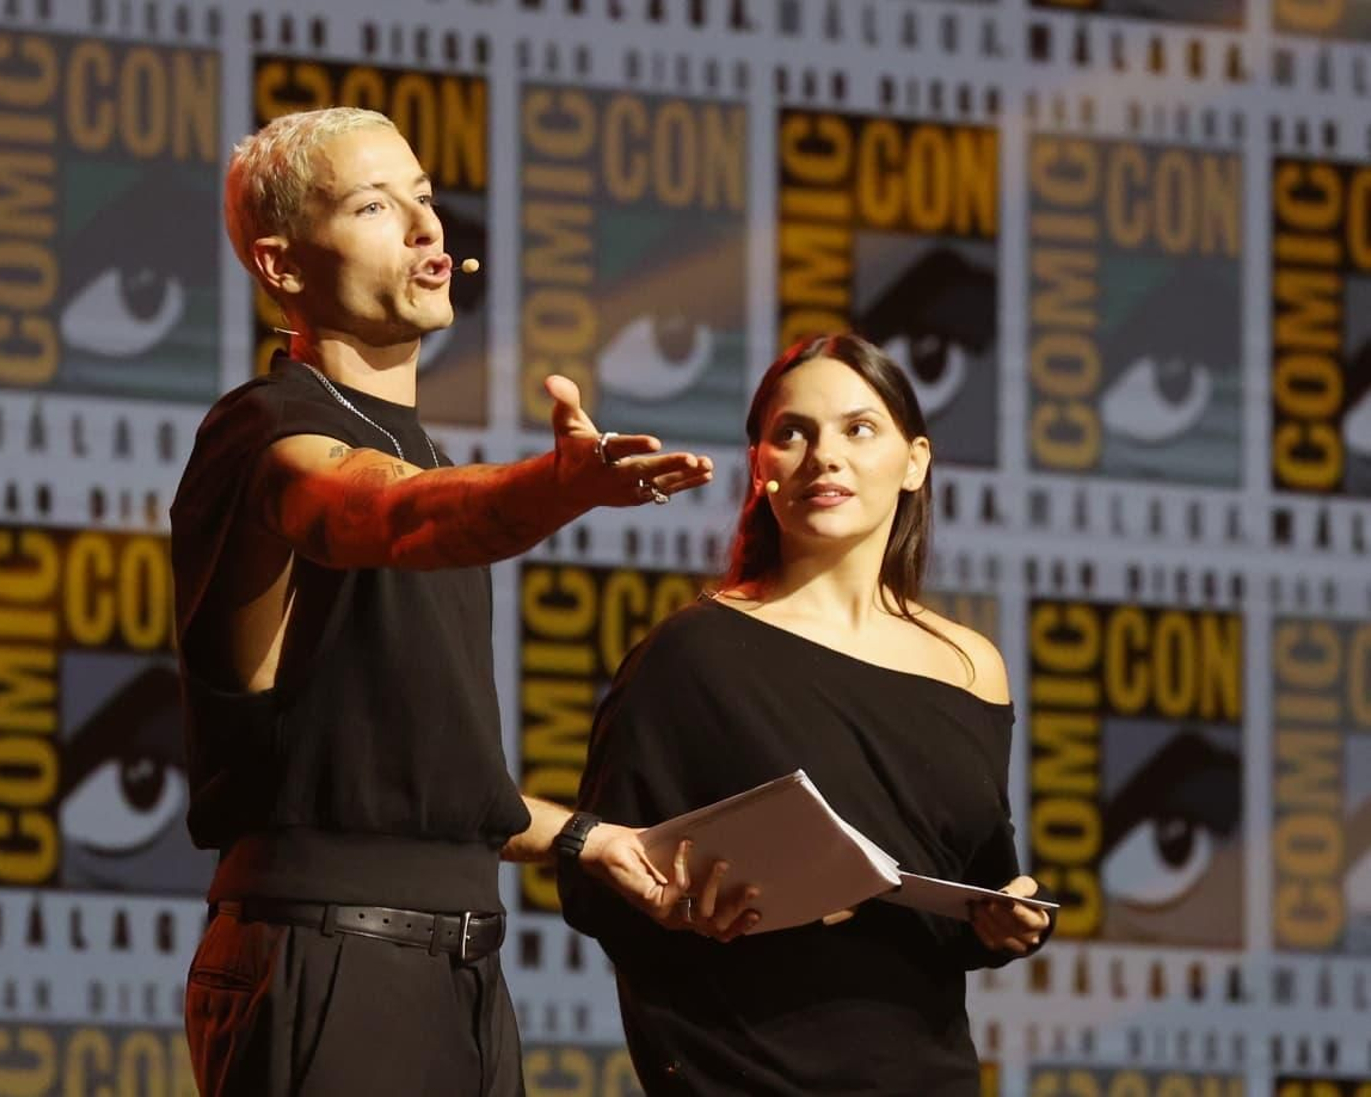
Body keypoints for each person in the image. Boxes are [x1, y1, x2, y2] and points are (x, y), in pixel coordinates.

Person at [172, 106, 710, 1096]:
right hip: (330, 952)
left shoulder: (429, 454)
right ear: (282, 266)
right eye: (376, 205)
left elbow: (420, 783)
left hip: (458, 964)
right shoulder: (265, 431)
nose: (428, 229)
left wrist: (588, 837)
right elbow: (383, 514)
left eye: (424, 198)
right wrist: (555, 485)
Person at [558, 333, 1054, 1095]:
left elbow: (971, 879)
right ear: (761, 465)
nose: (825, 455)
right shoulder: (692, 655)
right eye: (793, 432)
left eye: (859, 428)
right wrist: (688, 906)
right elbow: (595, 880)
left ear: (914, 460)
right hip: (747, 1072)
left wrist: (1006, 920)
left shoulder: (971, 665)